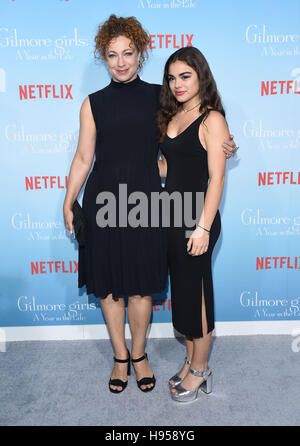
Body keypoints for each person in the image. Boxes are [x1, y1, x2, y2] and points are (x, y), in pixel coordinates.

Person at [63, 15, 237, 395]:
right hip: (104, 203)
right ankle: (120, 357)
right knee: (109, 288)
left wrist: (225, 146)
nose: (121, 61)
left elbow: (189, 141)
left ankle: (140, 356)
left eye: (128, 53)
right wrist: (68, 200)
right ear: (103, 58)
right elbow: (82, 158)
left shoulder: (162, 97)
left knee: (141, 287)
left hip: (148, 204)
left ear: (140, 54)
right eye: (112, 55)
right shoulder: (92, 104)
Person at [158, 46, 233, 402]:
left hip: (197, 220)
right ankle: (190, 360)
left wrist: (203, 228)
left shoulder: (212, 119)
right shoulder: (173, 115)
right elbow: (170, 168)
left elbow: (216, 178)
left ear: (201, 75)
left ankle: (202, 371)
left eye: (185, 76)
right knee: (185, 296)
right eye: (172, 78)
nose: (177, 84)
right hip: (171, 216)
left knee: (198, 295)